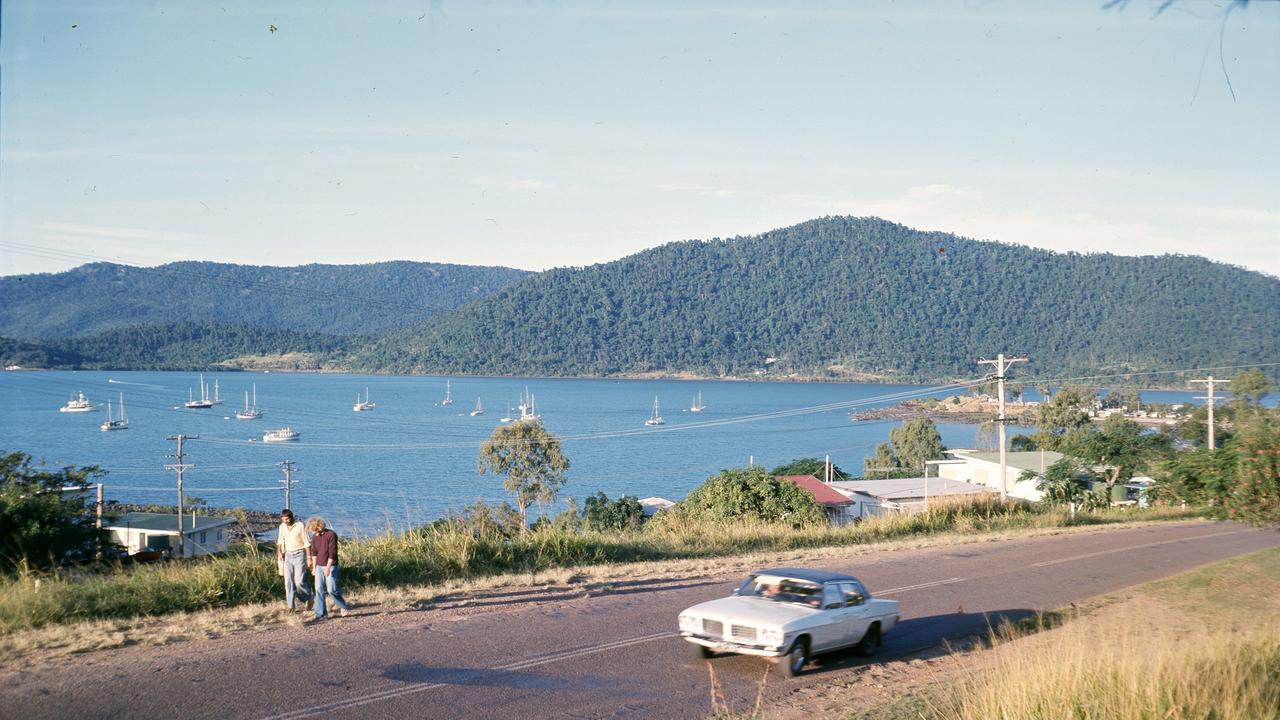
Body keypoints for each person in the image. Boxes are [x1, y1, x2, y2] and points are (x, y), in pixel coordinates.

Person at [307, 516, 350, 620]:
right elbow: (314, 553)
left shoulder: (331, 535)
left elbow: (332, 553)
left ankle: (343, 606)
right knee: (318, 589)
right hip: (319, 566)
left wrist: (327, 568)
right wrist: (314, 567)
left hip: (331, 565)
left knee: (332, 589)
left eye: (315, 530)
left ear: (319, 527)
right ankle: (321, 614)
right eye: (312, 531)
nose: (314, 532)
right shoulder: (314, 537)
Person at [276, 509, 313, 612]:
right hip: (287, 555)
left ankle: (308, 598)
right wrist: (279, 552)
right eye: (283, 519)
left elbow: (307, 542)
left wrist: (309, 557)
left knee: (299, 581)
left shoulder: (300, 525)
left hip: (300, 554)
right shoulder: (282, 527)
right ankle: (291, 606)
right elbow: (279, 540)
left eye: (287, 519)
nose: (285, 521)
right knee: (288, 582)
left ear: (291, 517)